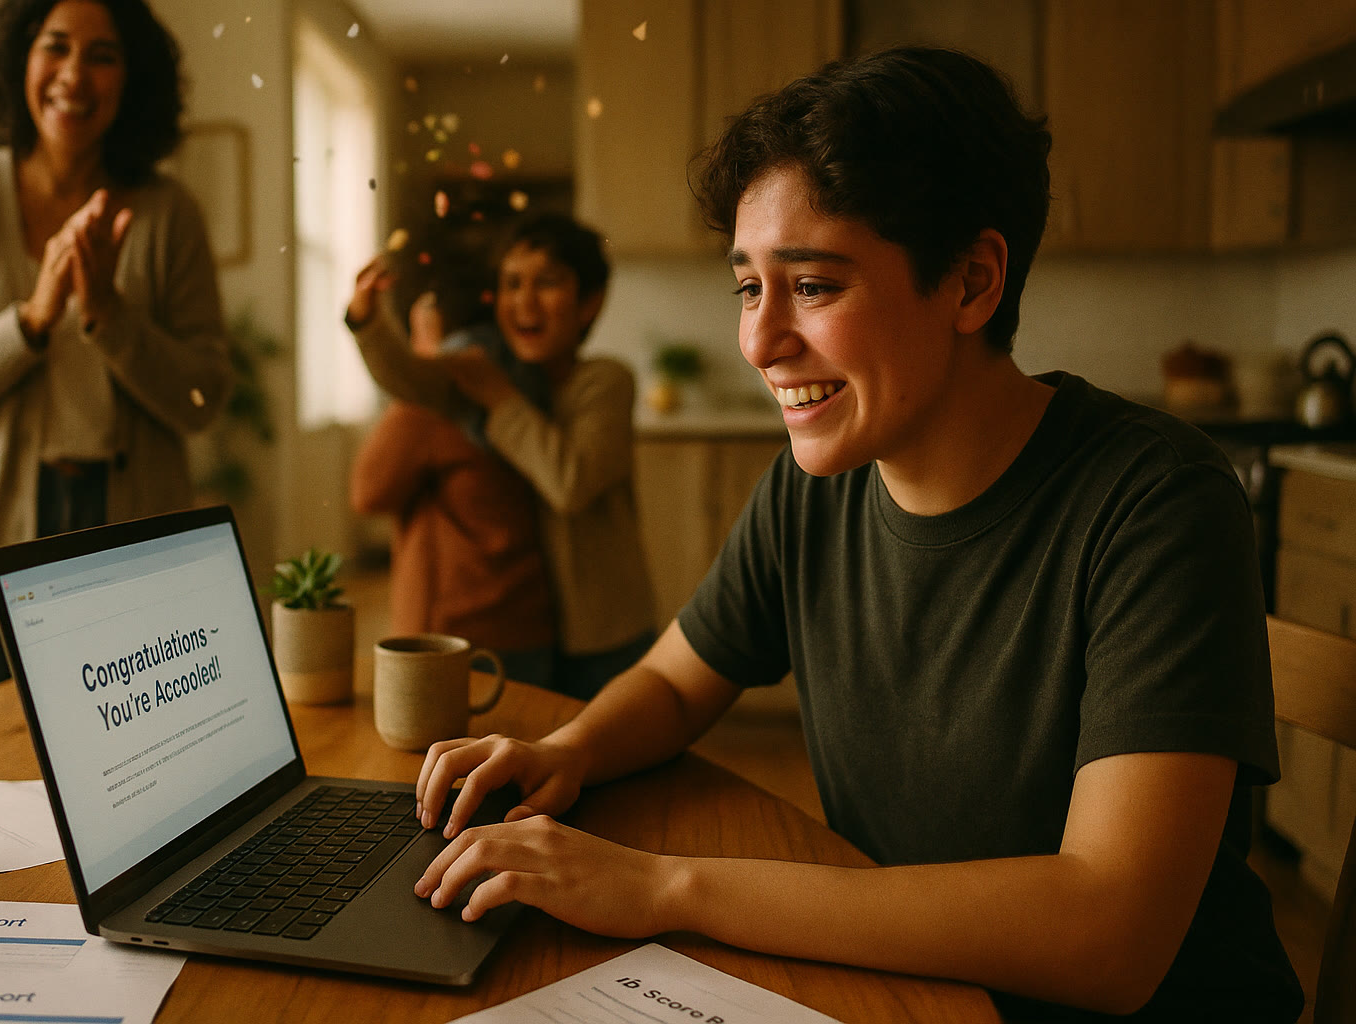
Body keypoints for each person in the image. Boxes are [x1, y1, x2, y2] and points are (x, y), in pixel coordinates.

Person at [405, 48, 1304, 1023]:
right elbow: (673, 680)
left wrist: (664, 886)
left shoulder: (1155, 502)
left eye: (816, 286)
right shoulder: (813, 490)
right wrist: (570, 748)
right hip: (908, 991)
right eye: (749, 287)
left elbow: (1111, 933)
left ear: (971, 282)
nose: (759, 341)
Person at [0, 0, 231, 711]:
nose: (76, 73)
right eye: (57, 46)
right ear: (21, 61)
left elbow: (205, 399)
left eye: (103, 55)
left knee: (134, 782)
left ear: (131, 80)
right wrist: (32, 321)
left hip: (133, 553)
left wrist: (109, 314)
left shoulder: (170, 214)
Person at [347, 214, 657, 699]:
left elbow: (570, 484)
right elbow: (415, 380)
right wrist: (369, 324)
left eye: (547, 283)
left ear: (589, 303)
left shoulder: (604, 382)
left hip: (605, 633)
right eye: (511, 284)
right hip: (540, 628)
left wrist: (500, 398)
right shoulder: (492, 371)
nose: (525, 301)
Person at [350, 262, 556, 688]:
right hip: (528, 621)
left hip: (455, 634)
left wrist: (423, 367)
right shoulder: (526, 376)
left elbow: (366, 491)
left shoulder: (439, 400)